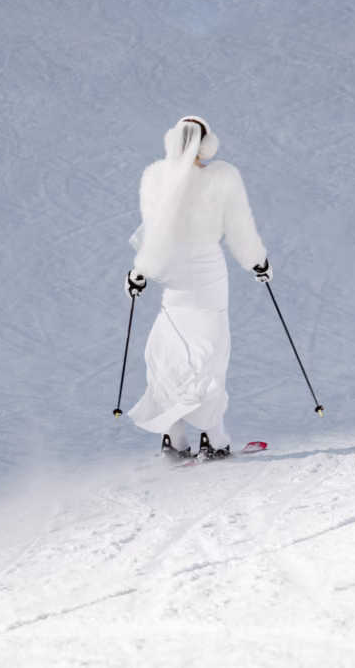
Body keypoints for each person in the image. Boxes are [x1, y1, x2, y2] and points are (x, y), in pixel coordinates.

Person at [123, 116, 271, 460]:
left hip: (175, 276)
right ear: (207, 144)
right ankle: (215, 440)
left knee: (167, 352)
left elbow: (154, 232)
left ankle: (174, 440)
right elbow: (239, 227)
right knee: (208, 356)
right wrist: (257, 262)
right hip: (208, 278)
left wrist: (139, 272)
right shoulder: (222, 176)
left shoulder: (157, 178)